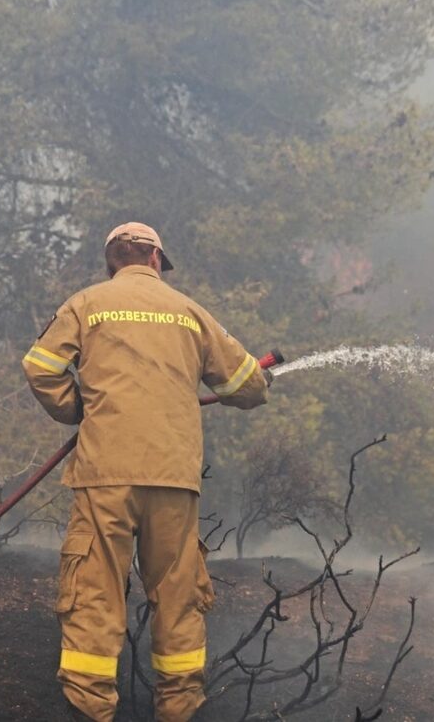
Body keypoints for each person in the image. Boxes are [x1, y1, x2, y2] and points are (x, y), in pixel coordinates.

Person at [22, 221, 270, 721]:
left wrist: (78, 409)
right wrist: (259, 377)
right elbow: (247, 386)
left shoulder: (86, 304)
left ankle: (91, 712)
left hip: (104, 474)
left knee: (94, 592)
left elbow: (40, 366)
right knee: (178, 597)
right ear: (156, 260)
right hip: (173, 479)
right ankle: (177, 711)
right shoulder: (189, 312)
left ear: (112, 261)